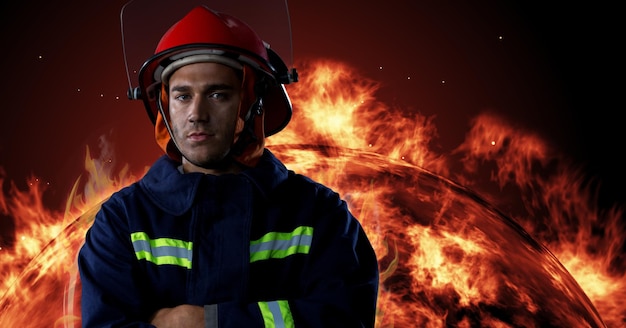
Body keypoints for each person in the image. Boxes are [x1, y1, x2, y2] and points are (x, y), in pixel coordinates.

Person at [77, 3, 379, 328]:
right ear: (164, 104)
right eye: (182, 96)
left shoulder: (320, 215)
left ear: (252, 103)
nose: (196, 113)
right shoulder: (123, 221)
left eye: (217, 94)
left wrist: (206, 321)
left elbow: (343, 319)